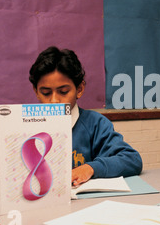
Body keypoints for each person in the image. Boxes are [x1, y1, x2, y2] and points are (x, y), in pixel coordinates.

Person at [29, 46, 142, 186]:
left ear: (79, 89)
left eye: (63, 92)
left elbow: (131, 160)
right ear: (36, 91)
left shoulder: (95, 124)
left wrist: (91, 168)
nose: (54, 101)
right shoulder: (25, 126)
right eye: (46, 93)